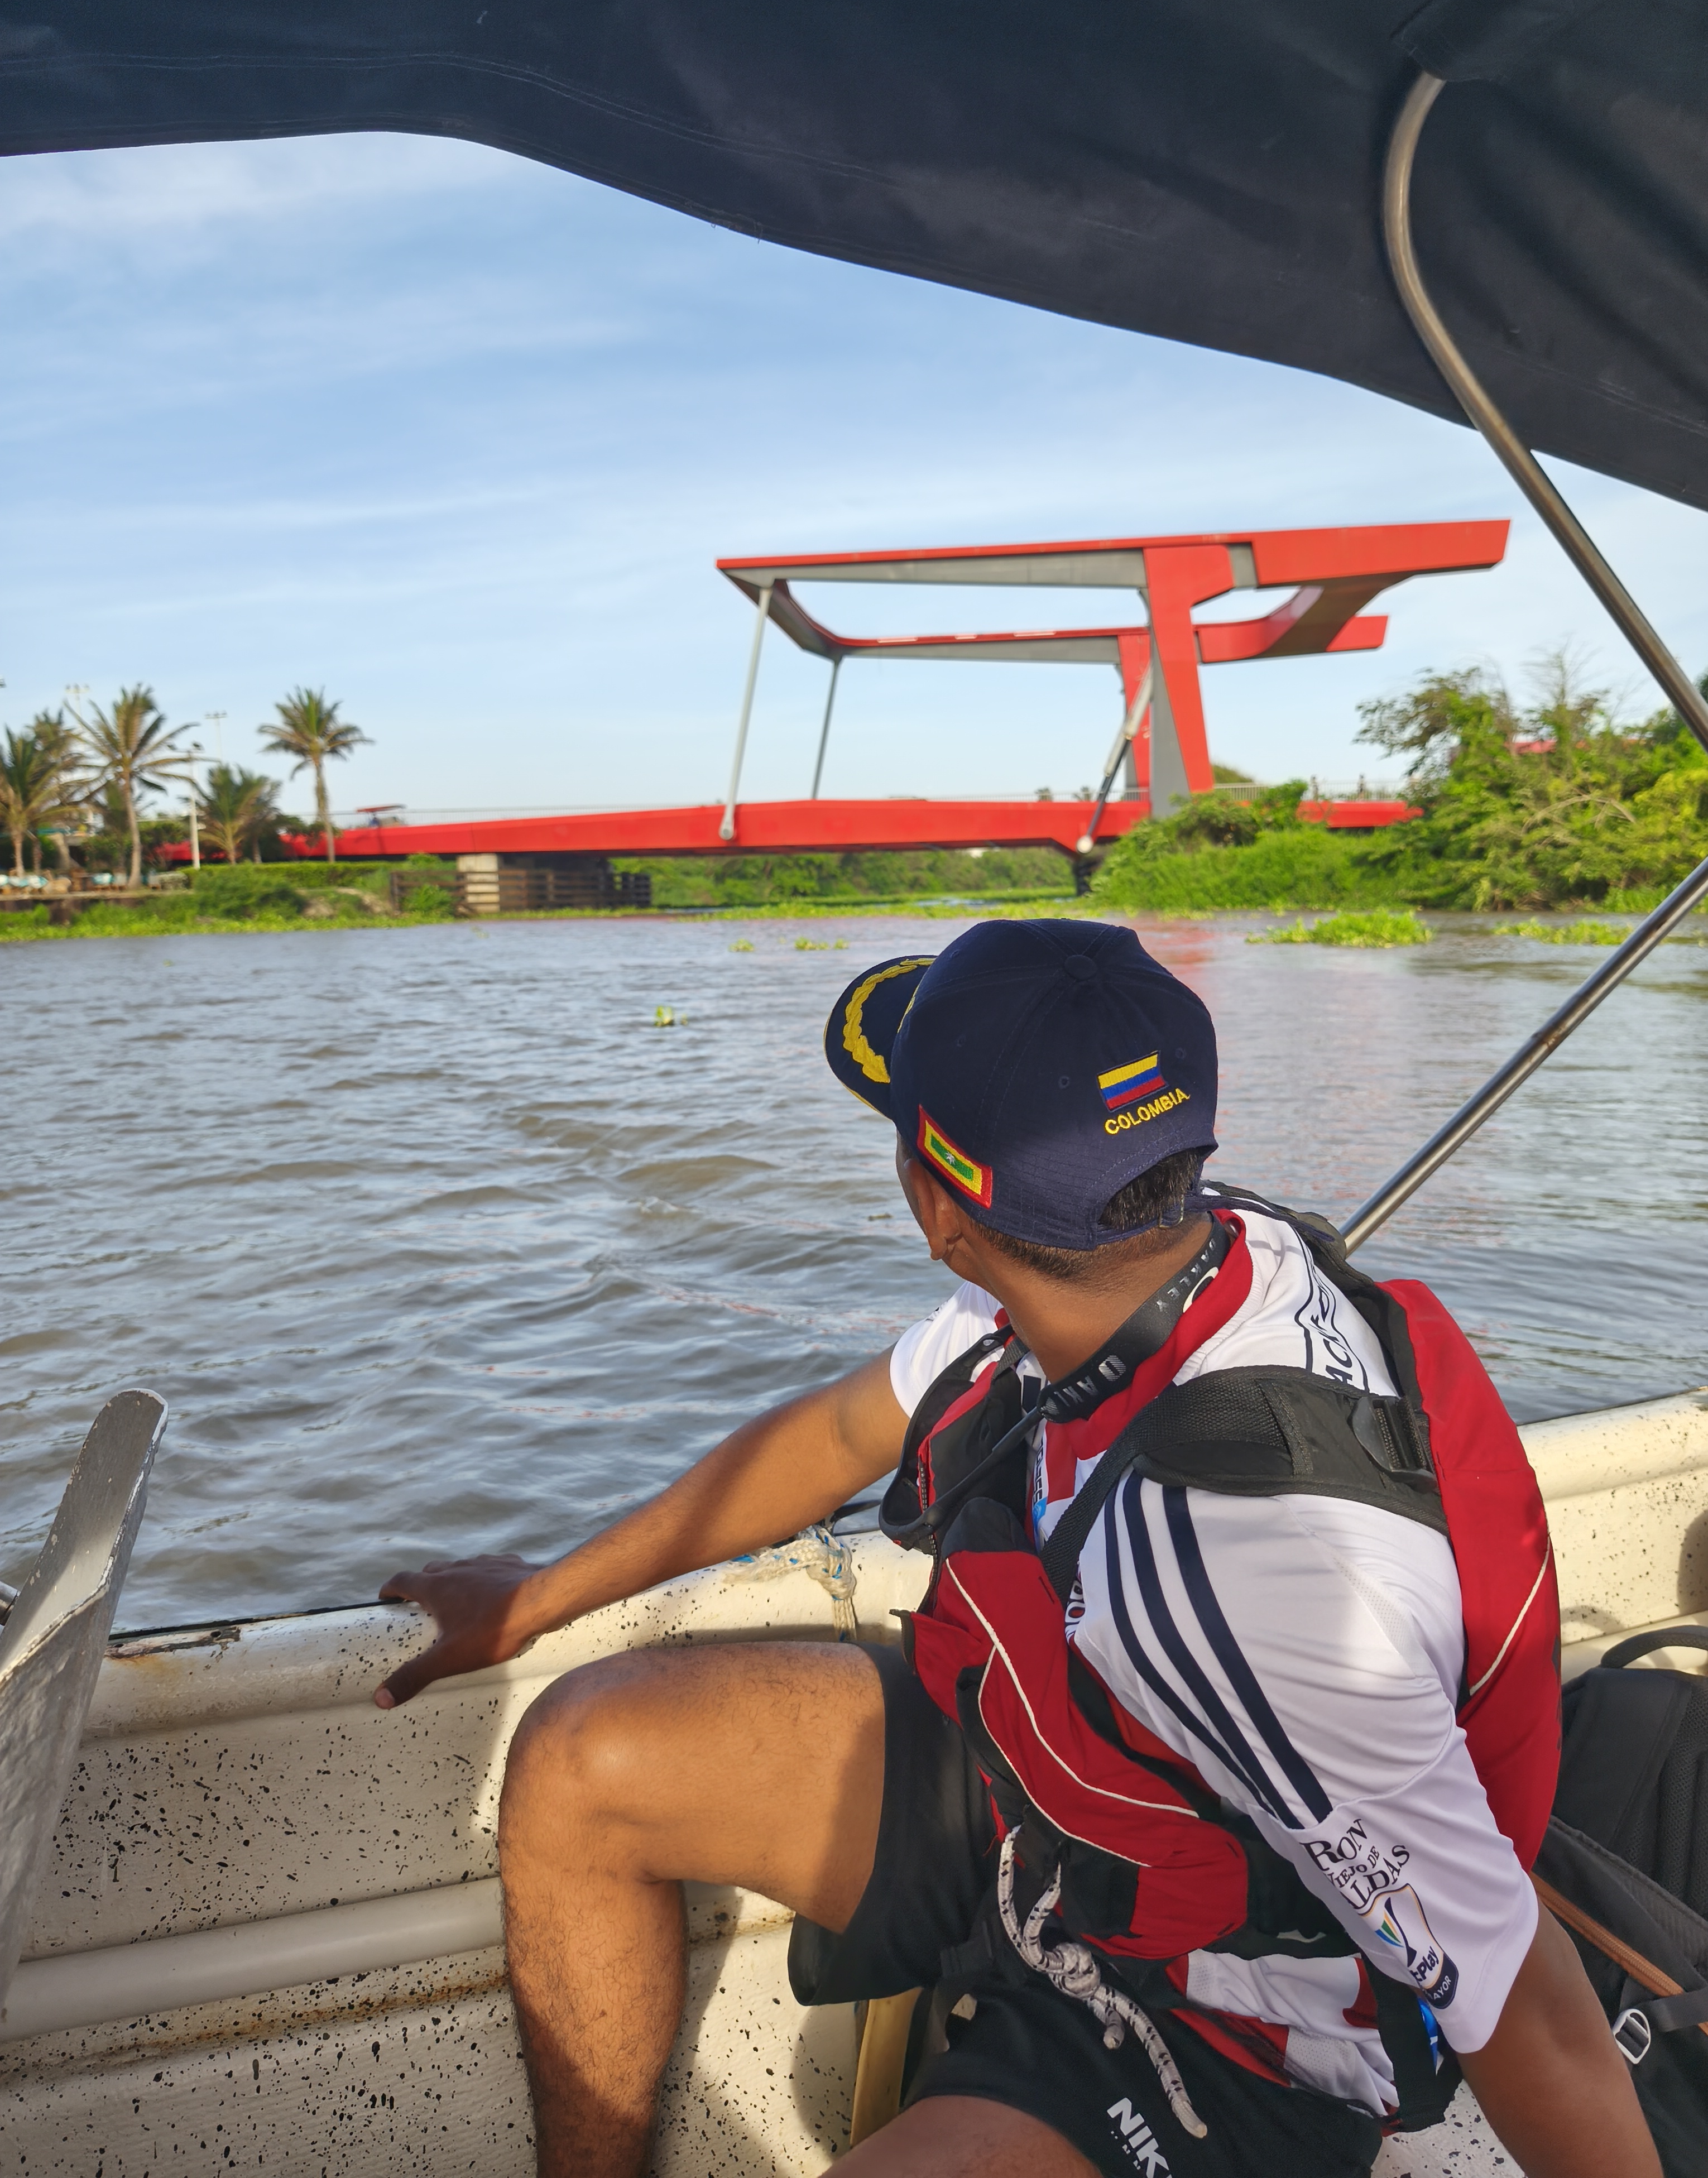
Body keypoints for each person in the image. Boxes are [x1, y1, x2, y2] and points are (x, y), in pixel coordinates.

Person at [374, 919, 1660, 2178]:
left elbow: (1524, 2013)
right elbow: (834, 1431)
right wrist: (539, 1598)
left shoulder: (1262, 1582)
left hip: (1223, 2010)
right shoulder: (1138, 1260)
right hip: (1053, 1781)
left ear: (938, 1204)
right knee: (586, 1757)